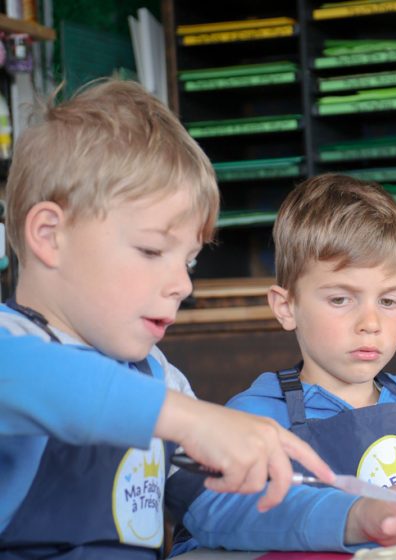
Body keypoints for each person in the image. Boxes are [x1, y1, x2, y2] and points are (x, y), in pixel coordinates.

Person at [0, 79, 335, 558]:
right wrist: (191, 421)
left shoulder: (161, 378)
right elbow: (40, 380)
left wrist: (356, 516)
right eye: (152, 249)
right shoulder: (10, 346)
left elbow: (225, 508)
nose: (183, 283)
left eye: (190, 260)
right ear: (50, 236)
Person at [172, 174, 396, 555]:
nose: (371, 323)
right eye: (341, 299)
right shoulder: (252, 418)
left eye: (389, 302)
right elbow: (210, 515)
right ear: (286, 307)